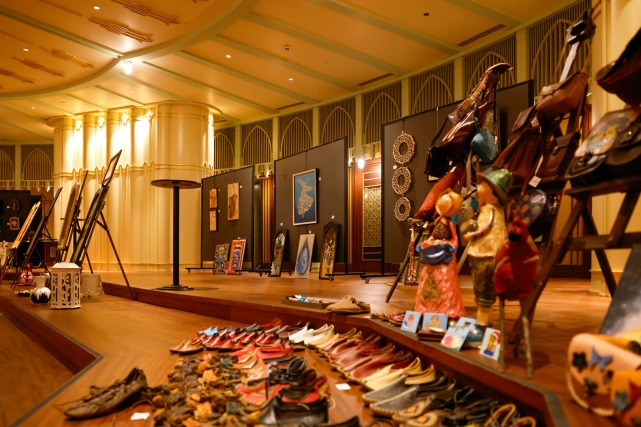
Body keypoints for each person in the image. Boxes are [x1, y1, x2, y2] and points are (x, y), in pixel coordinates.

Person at [461, 168, 513, 326]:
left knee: (483, 292)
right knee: (482, 290)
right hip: (483, 254)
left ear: (494, 192)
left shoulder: (491, 211)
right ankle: (484, 322)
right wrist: (472, 225)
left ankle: (482, 324)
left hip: (487, 254)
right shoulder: (489, 209)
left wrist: (472, 235)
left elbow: (486, 228)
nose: (479, 186)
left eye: (483, 184)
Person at [415, 189, 466, 318]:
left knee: (444, 279)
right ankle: (427, 306)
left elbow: (455, 238)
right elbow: (432, 235)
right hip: (434, 249)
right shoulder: (438, 221)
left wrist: (453, 245)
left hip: (444, 251)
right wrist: (428, 241)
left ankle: (445, 306)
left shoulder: (450, 223)